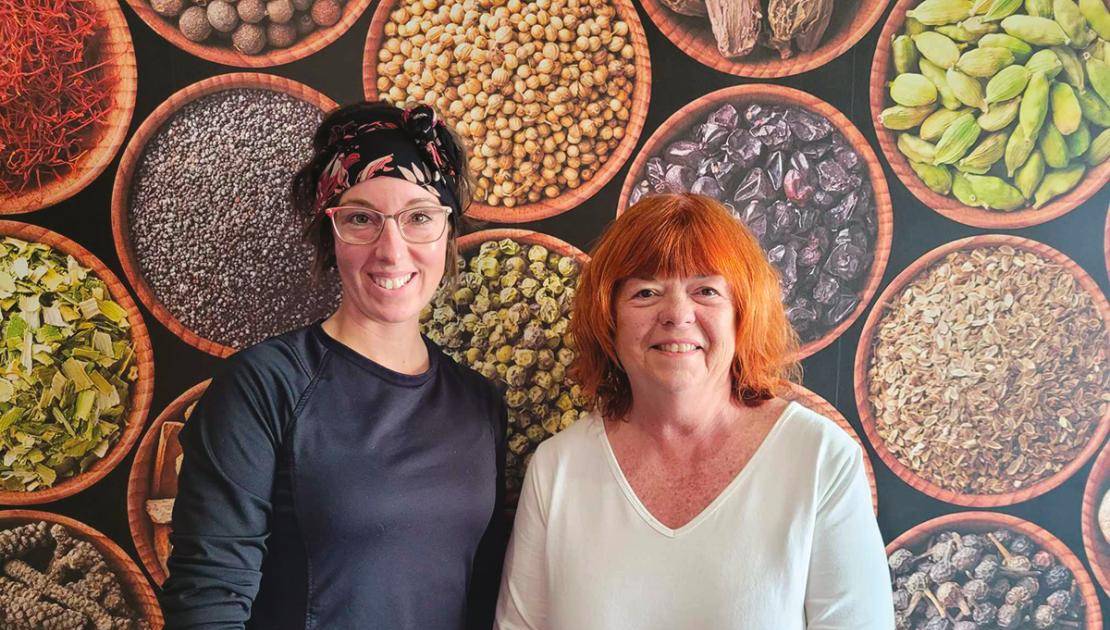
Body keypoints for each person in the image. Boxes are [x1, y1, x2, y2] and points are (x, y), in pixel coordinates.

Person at [160, 102, 507, 629]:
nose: (392, 251)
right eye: (362, 218)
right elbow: (207, 602)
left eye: (418, 217)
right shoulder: (265, 385)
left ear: (447, 232)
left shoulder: (479, 403)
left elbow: (481, 597)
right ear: (331, 235)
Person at [495, 193, 894, 629]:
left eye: (706, 291)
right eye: (646, 292)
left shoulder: (820, 460)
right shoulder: (558, 468)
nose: (678, 315)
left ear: (743, 313)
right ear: (608, 318)